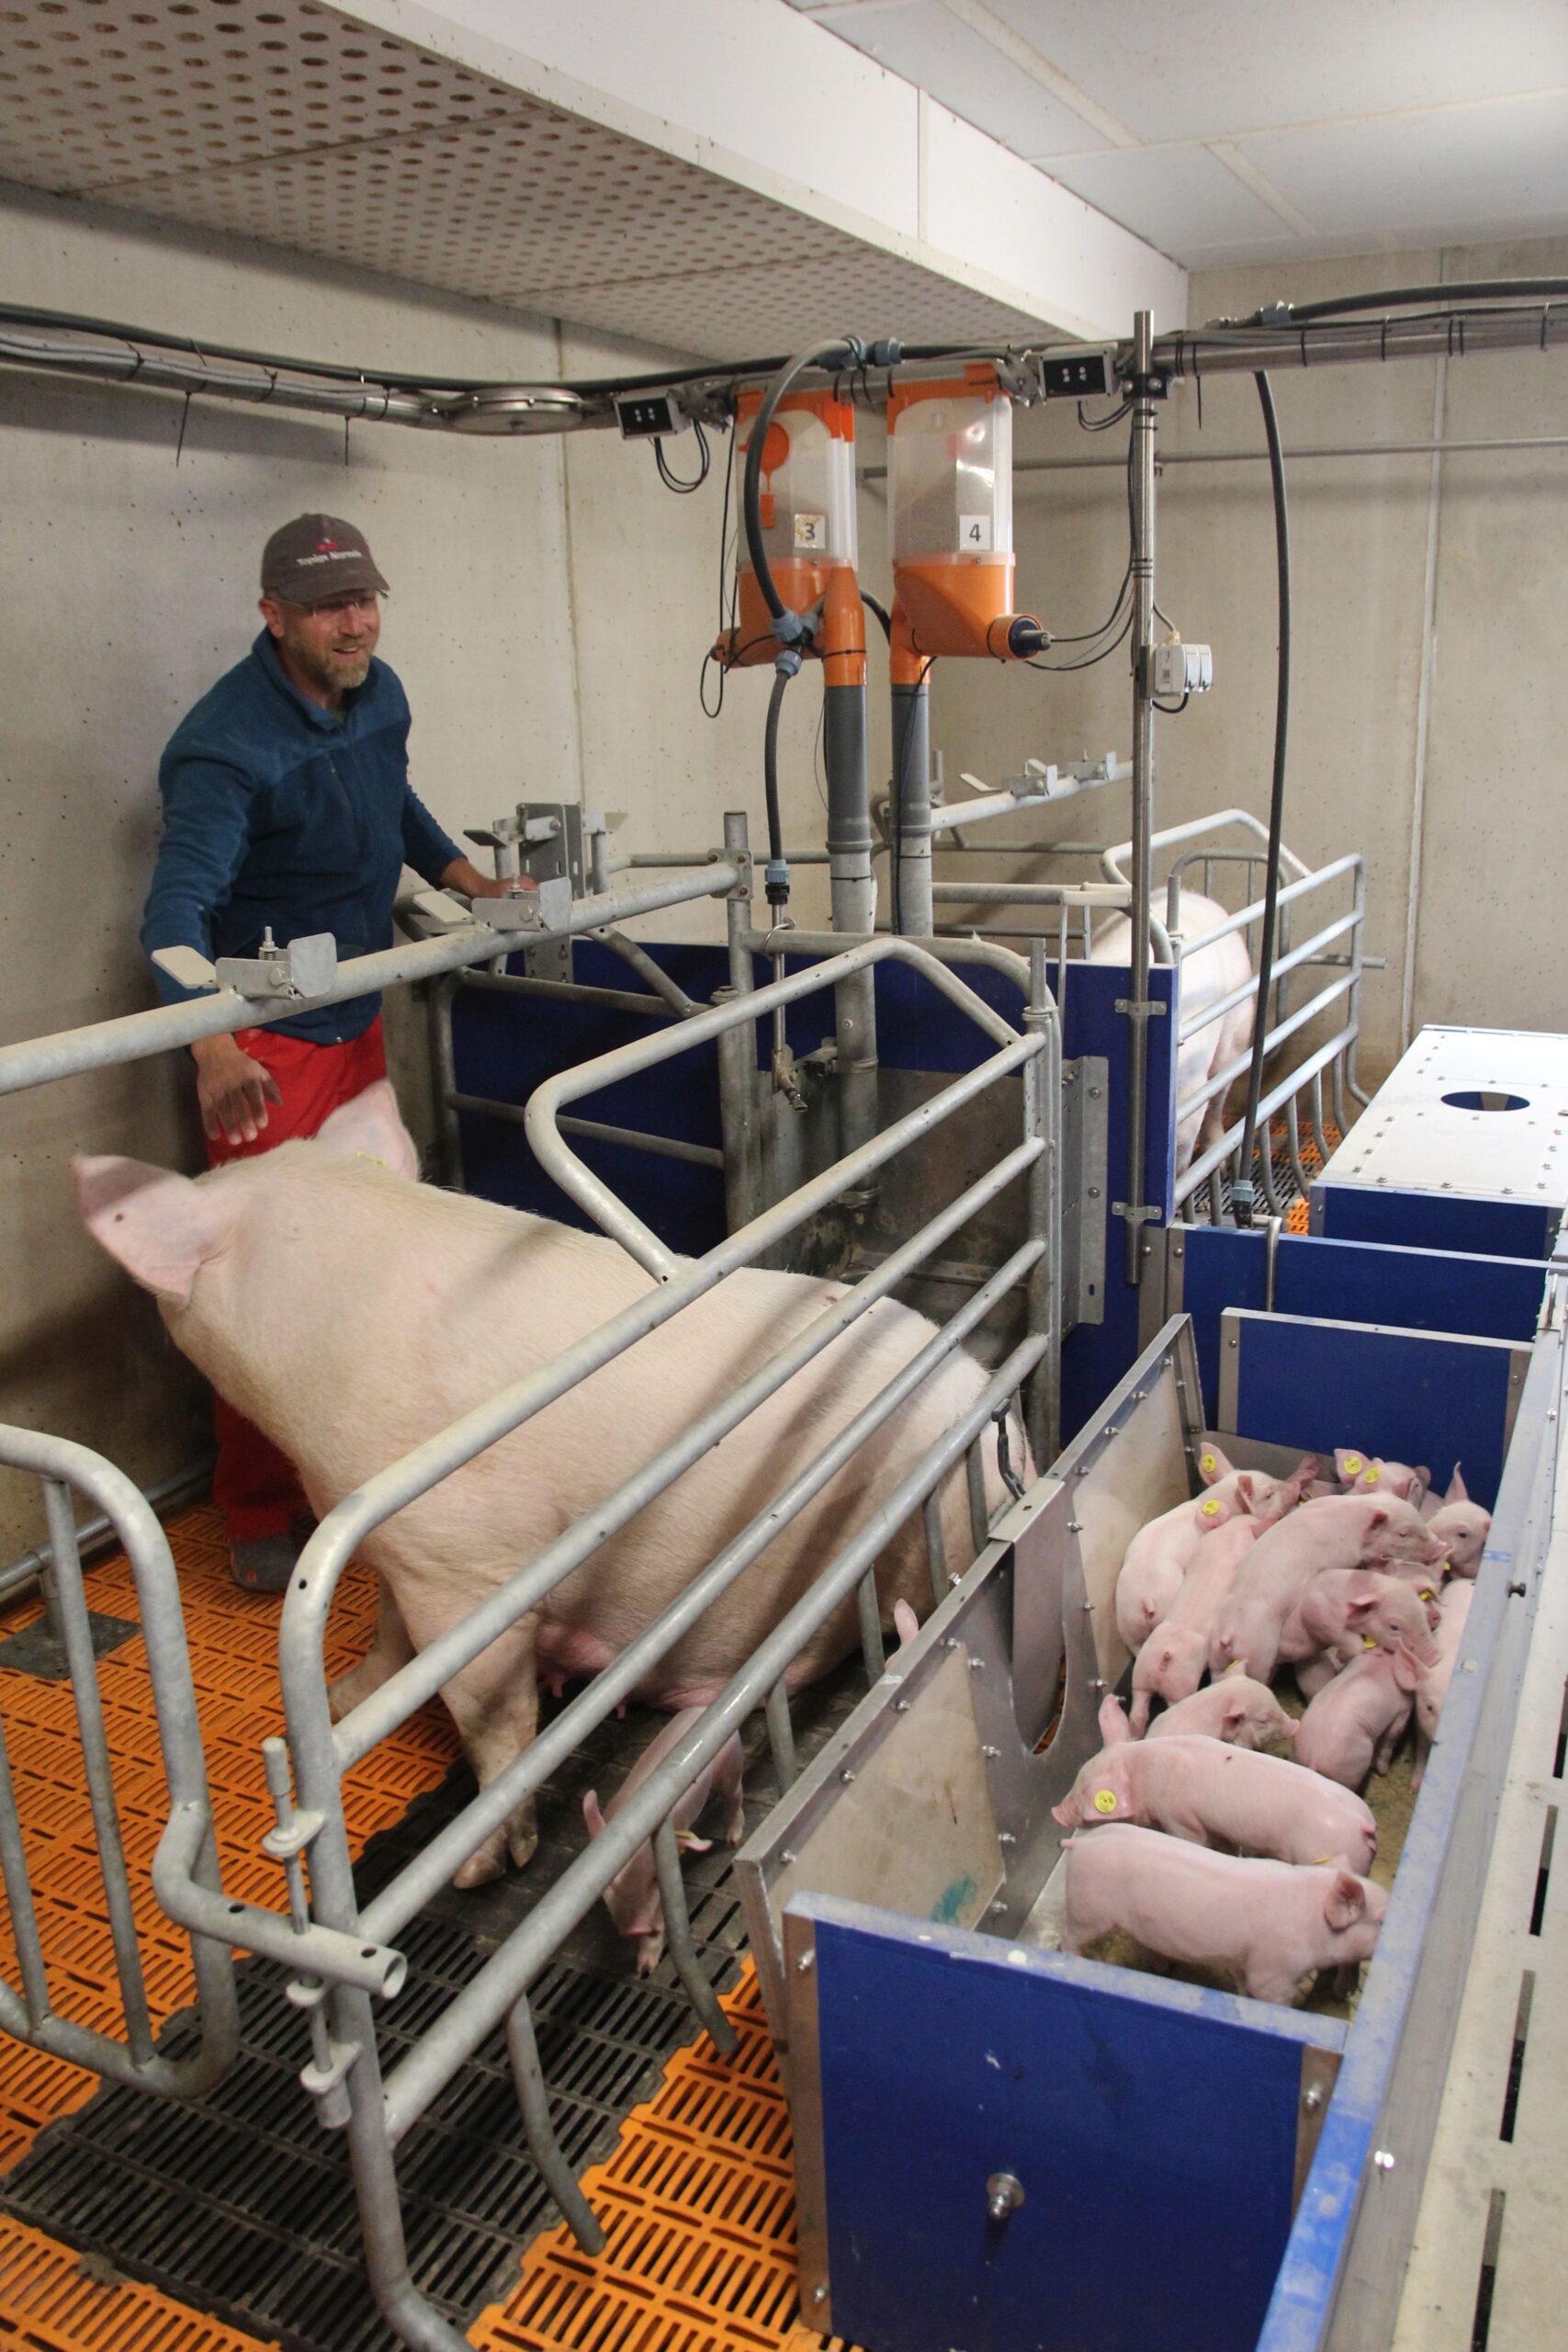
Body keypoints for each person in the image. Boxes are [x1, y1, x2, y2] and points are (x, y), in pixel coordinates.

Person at [141, 513, 520, 1591]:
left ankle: (361, 1472)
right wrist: (213, 1049)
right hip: (266, 1047)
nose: (353, 625)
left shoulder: (377, 692)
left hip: (354, 1017)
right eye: (325, 609)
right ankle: (262, 1512)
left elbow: (392, 801)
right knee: (267, 1291)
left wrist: (470, 883)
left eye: (363, 601)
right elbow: (171, 918)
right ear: (274, 615)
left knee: (368, 1264)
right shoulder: (223, 746)